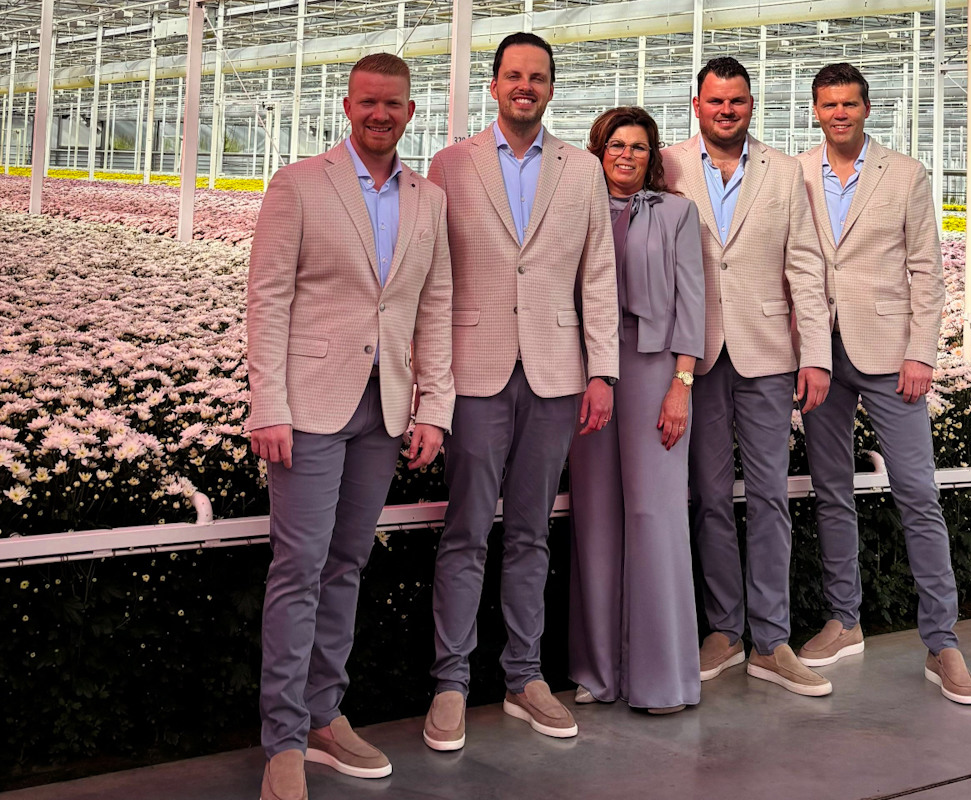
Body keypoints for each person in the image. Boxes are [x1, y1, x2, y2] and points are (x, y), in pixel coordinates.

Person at [246, 53, 454, 800]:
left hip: (383, 409)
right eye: (368, 101)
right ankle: (283, 740)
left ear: (410, 111)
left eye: (393, 103)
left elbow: (434, 306)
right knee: (298, 567)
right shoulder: (300, 184)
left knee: (346, 564)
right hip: (308, 406)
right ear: (347, 105)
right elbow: (267, 297)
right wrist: (267, 404)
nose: (380, 114)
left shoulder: (428, 200)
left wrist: (434, 406)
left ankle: (324, 716)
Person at [423, 32, 620, 750]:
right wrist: (430, 384)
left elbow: (598, 274)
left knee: (532, 532)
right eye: (513, 75)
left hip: (555, 374)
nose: (525, 86)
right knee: (467, 530)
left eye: (537, 76)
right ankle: (450, 683)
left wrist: (602, 371)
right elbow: (431, 276)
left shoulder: (582, 170)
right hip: (475, 371)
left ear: (551, 88)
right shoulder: (451, 165)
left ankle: (523, 677)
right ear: (494, 84)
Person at [795, 63, 971, 705]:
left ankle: (942, 641)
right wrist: (802, 349)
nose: (839, 114)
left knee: (917, 493)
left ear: (867, 108)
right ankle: (844, 621)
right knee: (830, 490)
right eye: (828, 105)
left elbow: (926, 269)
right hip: (819, 353)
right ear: (815, 111)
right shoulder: (796, 173)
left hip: (889, 356)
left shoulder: (904, 174)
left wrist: (920, 352)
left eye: (849, 103)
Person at [661, 57, 833, 697]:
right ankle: (724, 630)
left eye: (736, 100)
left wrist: (815, 354)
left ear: (751, 105)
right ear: (697, 106)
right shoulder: (670, 167)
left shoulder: (784, 172)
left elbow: (805, 267)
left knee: (768, 498)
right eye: (715, 101)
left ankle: (772, 639)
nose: (726, 110)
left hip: (767, 355)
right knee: (708, 496)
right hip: (696, 356)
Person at [567, 107, 705, 715]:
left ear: (653, 157)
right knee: (595, 517)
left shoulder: (677, 212)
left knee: (655, 513)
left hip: (655, 371)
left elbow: (692, 303)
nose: (626, 154)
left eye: (639, 146)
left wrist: (682, 383)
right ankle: (598, 673)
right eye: (616, 144)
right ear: (599, 151)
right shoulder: (575, 207)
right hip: (587, 371)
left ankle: (662, 679)